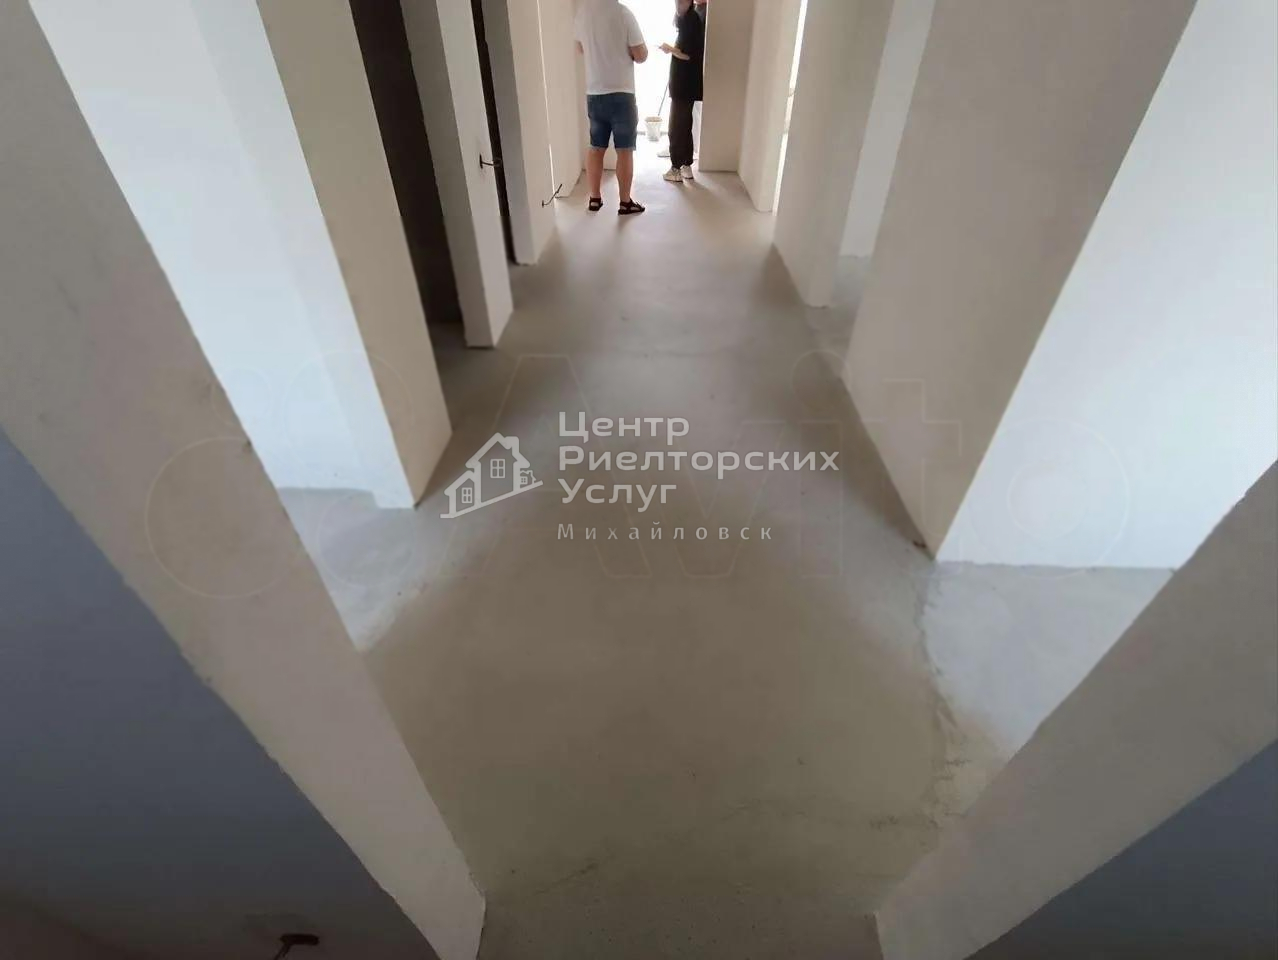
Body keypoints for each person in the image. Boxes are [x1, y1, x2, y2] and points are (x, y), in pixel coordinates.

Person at [575, 0, 648, 215]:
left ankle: (594, 199)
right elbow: (641, 55)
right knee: (624, 150)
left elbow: (580, 48)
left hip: (594, 93)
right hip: (621, 94)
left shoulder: (582, 13)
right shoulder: (623, 14)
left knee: (595, 147)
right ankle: (625, 203)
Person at [660, 0, 705, 184]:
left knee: (676, 127)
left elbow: (688, 55)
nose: (678, 4)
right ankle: (686, 165)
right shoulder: (689, 18)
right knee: (685, 125)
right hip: (686, 84)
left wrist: (669, 49)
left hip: (684, 84)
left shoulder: (691, 20)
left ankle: (676, 168)